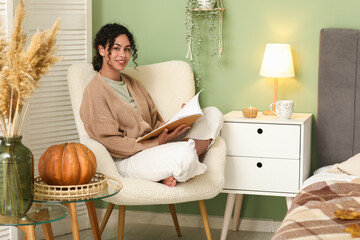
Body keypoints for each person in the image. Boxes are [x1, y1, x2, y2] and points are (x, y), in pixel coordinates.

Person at [80, 23, 223, 187]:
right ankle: (186, 157)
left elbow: (156, 123)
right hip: (127, 159)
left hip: (155, 149)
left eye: (127, 49)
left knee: (213, 114)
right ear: (102, 50)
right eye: (116, 48)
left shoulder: (133, 84)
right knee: (184, 154)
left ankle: (177, 162)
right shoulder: (94, 91)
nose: (123, 54)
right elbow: (111, 142)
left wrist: (180, 119)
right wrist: (157, 143)